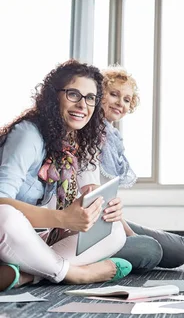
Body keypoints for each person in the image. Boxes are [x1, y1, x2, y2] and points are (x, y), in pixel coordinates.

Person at [0, 60, 131, 292]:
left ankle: (28, 276)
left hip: (33, 240)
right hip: (9, 233)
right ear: (54, 96)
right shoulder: (28, 134)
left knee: (114, 230)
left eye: (90, 98)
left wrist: (100, 206)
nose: (83, 104)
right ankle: (73, 273)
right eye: (73, 94)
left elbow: (79, 196)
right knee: (5, 215)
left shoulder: (71, 141)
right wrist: (63, 218)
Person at [79, 66, 184, 273]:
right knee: (149, 250)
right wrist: (130, 234)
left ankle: (121, 242)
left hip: (108, 217)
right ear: (99, 95)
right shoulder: (86, 132)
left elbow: (109, 201)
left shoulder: (111, 137)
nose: (120, 103)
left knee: (180, 249)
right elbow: (95, 198)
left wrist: (125, 227)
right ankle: (80, 262)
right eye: (114, 94)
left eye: (127, 99)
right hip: (87, 223)